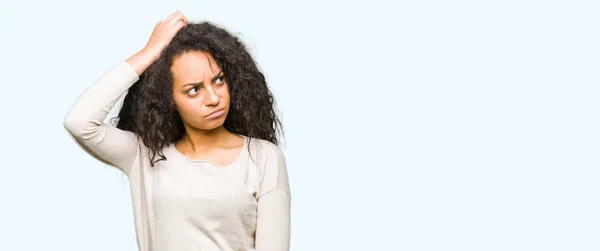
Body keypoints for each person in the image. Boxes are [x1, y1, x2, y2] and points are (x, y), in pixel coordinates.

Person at [63, 11, 291, 251]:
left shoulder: (264, 157)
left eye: (219, 80)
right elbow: (80, 122)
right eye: (194, 90)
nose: (213, 98)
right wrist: (149, 53)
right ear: (168, 99)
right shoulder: (144, 156)